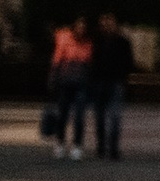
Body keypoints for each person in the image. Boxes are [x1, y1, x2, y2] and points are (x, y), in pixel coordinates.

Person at [87, 12, 136, 160]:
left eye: (109, 23)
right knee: (100, 118)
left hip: (115, 82)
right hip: (99, 82)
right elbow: (91, 60)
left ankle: (113, 148)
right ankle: (102, 146)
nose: (106, 26)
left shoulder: (122, 42)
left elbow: (129, 62)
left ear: (115, 24)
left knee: (115, 117)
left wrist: (121, 75)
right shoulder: (97, 41)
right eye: (104, 23)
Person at [47, 16, 93, 161]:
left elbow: (89, 63)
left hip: (80, 84)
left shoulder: (88, 43)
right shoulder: (65, 38)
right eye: (79, 25)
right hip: (65, 83)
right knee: (63, 115)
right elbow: (57, 59)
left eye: (84, 26)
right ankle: (60, 144)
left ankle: (77, 146)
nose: (81, 29)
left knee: (79, 117)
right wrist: (53, 78)